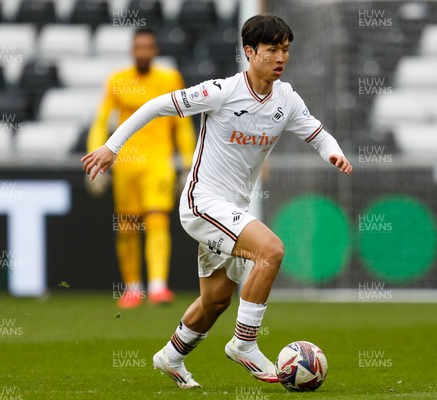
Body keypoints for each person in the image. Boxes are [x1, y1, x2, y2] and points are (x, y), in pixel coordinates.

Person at [82, 15, 352, 388]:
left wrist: (334, 154)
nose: (281, 58)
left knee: (216, 300)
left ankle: (171, 356)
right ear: (249, 52)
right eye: (272, 49)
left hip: (235, 210)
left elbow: (318, 135)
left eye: (285, 50)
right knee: (271, 251)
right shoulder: (221, 91)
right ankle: (245, 344)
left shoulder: (286, 99)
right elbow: (156, 106)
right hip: (202, 203)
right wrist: (113, 147)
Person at [86, 28, 196, 308]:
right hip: (126, 164)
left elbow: (182, 123)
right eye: (139, 47)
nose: (143, 52)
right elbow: (101, 120)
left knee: (157, 218)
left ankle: (158, 285)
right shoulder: (118, 81)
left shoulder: (169, 78)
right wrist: (94, 159)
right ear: (132, 50)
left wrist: (188, 163)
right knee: (127, 225)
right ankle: (132, 287)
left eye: (148, 47)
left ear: (154, 50)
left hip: (159, 162)